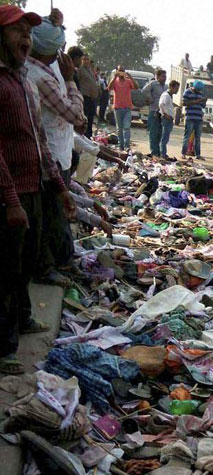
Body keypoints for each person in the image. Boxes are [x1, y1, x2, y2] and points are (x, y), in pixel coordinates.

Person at [0, 5, 75, 375]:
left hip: (33, 188)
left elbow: (40, 142)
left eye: (28, 34)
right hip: (7, 192)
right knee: (6, 272)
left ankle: (24, 319)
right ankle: (4, 347)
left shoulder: (25, 82)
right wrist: (11, 201)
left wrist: (60, 189)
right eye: (17, 32)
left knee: (27, 264)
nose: (25, 39)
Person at [27, 11, 86, 285]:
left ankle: (60, 263)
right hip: (49, 154)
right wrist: (72, 80)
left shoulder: (49, 69)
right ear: (51, 52)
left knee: (58, 213)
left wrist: (57, 23)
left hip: (59, 153)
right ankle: (50, 267)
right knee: (53, 216)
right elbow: (76, 117)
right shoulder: (43, 76)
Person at [108, 66, 137, 151]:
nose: (121, 72)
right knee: (119, 128)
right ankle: (121, 146)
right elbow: (109, 88)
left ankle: (127, 146)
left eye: (122, 71)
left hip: (127, 108)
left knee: (126, 127)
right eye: (119, 70)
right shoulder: (115, 81)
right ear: (117, 71)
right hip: (118, 107)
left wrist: (130, 77)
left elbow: (136, 87)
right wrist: (114, 77)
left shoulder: (128, 81)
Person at [142, 68, 167, 157]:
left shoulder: (166, 87)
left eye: (165, 76)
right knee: (153, 132)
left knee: (160, 133)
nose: (164, 78)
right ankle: (154, 152)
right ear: (158, 76)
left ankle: (158, 151)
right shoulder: (153, 84)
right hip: (154, 111)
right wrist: (150, 99)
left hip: (163, 113)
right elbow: (144, 90)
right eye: (163, 76)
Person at [181, 80, 206, 159]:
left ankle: (197, 154)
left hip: (198, 118)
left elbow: (202, 106)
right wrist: (197, 101)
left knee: (197, 137)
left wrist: (204, 102)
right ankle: (183, 153)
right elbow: (184, 103)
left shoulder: (200, 94)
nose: (198, 91)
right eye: (197, 89)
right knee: (187, 136)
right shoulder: (187, 92)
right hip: (190, 117)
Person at [158, 79, 180, 158]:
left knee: (166, 137)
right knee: (164, 137)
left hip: (169, 118)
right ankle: (162, 153)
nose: (177, 90)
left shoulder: (169, 95)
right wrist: (165, 114)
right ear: (171, 87)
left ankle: (163, 152)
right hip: (166, 118)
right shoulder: (166, 95)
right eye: (176, 88)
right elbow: (161, 104)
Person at [77, 54, 98, 138]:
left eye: (87, 59)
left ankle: (88, 136)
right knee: (85, 117)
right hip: (84, 96)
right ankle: (83, 136)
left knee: (91, 117)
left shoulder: (90, 70)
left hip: (91, 98)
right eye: (84, 59)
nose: (86, 61)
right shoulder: (80, 70)